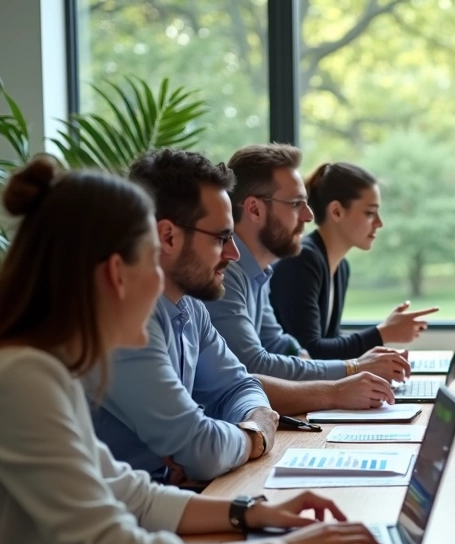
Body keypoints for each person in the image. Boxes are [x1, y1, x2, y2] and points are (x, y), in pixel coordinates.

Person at [0, 157, 381, 544]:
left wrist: (254, 513)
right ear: (117, 273)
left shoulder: (44, 368)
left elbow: (131, 495)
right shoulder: (19, 379)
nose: (159, 283)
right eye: (150, 260)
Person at [91, 149, 391, 485]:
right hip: (131, 506)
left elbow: (240, 385)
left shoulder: (190, 307)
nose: (233, 253)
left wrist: (249, 423)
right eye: (221, 238)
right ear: (168, 237)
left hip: (165, 494)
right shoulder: (126, 320)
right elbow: (201, 450)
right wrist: (254, 435)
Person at [205, 144, 408, 409]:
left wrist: (340, 368)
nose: (309, 215)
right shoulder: (224, 272)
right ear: (254, 210)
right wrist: (351, 369)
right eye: (295, 204)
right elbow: (253, 365)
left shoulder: (258, 271)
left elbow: (280, 344)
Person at [269, 161, 439, 360]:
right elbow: (311, 352)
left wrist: (378, 353)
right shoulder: (301, 261)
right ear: (336, 212)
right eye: (370, 213)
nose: (379, 223)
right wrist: (383, 334)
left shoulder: (340, 267)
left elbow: (329, 342)